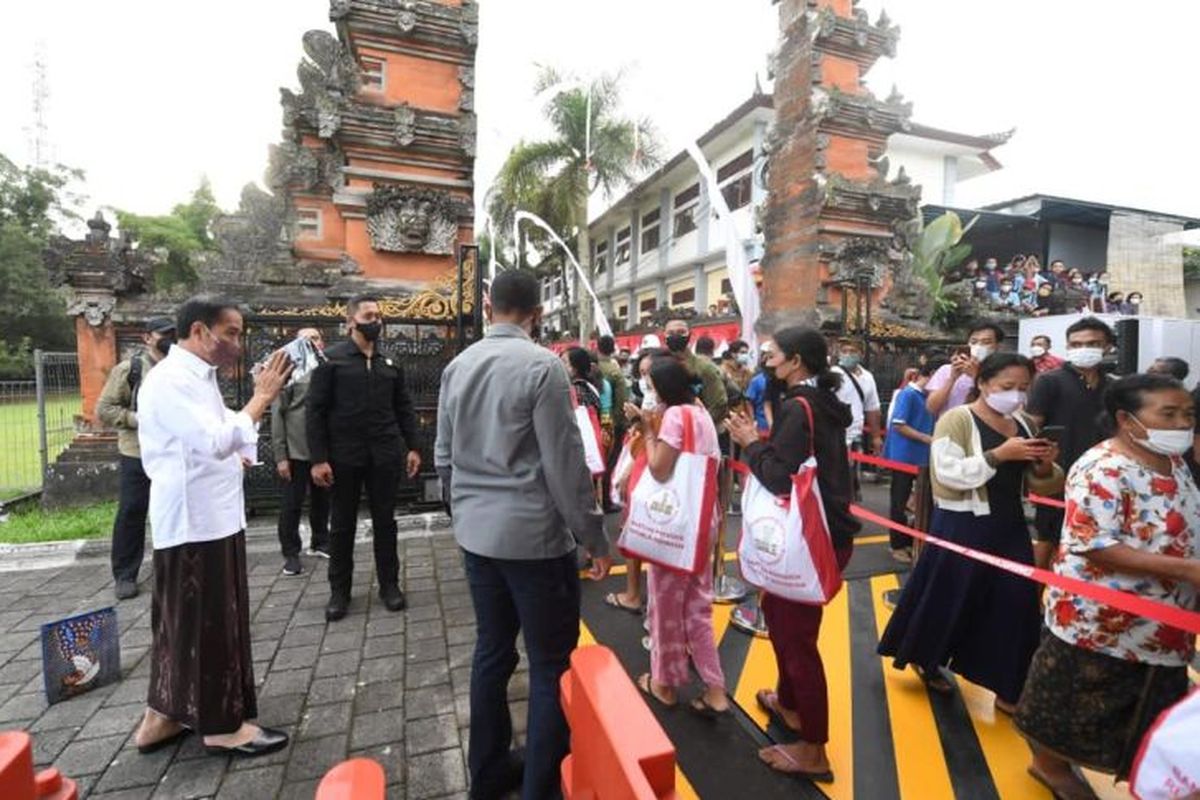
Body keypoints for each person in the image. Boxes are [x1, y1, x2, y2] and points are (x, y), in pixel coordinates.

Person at [435, 269, 611, 800]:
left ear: (489, 307)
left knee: (492, 649)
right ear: (537, 313)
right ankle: (540, 785)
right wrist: (593, 537)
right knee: (549, 660)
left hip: (477, 536)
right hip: (534, 540)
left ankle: (487, 776)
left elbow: (444, 457)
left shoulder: (457, 367)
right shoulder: (543, 368)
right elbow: (564, 466)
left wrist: (464, 512)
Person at [1015, 374, 1200, 799]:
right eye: (1167, 414)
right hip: (1099, 617)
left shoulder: (1174, 462)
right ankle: (1048, 765)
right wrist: (1188, 570)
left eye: (1187, 414)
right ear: (1126, 419)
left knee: (1147, 701)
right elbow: (1092, 544)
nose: (1181, 424)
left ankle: (1139, 768)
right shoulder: (1103, 467)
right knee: (1072, 698)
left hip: (1163, 620)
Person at [134, 295, 292, 757]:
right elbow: (213, 440)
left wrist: (244, 440)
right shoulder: (170, 381)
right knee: (205, 626)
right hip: (194, 524)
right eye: (232, 333)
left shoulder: (196, 377)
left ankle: (163, 715)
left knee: (185, 624)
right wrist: (262, 398)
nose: (238, 344)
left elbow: (225, 429)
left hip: (212, 519)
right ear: (200, 332)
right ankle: (222, 727)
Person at [878, 353, 1063, 714]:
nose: (1016, 395)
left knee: (1018, 602)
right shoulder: (956, 420)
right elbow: (947, 474)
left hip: (1009, 524)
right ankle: (926, 658)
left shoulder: (1022, 423)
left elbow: (1042, 481)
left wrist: (1042, 463)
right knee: (949, 596)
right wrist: (998, 455)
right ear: (983, 383)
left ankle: (1010, 686)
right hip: (962, 523)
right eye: (1007, 387)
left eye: (1023, 388)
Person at [725, 327, 858, 782]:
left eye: (773, 355)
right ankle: (791, 705)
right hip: (824, 534)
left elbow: (780, 478)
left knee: (797, 640)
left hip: (811, 540)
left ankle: (814, 749)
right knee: (782, 623)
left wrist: (751, 443)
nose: (767, 362)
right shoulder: (821, 404)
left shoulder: (797, 408)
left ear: (796, 360)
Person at [307, 295, 422, 622]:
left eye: (379, 315)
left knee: (386, 522)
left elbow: (404, 407)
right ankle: (339, 592)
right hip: (343, 457)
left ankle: (390, 586)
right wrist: (318, 459)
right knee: (342, 525)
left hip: (384, 455)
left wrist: (413, 447)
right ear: (351, 323)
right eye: (369, 315)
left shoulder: (391, 361)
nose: (377, 320)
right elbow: (314, 412)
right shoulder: (330, 360)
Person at [628, 356, 729, 716]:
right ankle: (716, 690)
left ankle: (665, 683)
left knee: (666, 606)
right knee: (698, 607)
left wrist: (647, 428)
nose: (649, 390)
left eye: (651, 384)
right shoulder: (701, 411)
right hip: (704, 517)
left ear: (662, 387)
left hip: (674, 524)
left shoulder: (674, 416)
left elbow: (658, 467)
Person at [1025, 317, 1117, 570]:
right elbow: (1032, 426)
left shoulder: (1114, 386)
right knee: (1047, 540)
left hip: (1103, 479)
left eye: (1092, 343)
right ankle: (1029, 603)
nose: (1083, 349)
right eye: (1075, 344)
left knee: (1096, 543)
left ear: (1107, 346)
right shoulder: (1049, 381)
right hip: (1059, 479)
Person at [96, 316, 175, 600]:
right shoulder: (130, 369)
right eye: (163, 334)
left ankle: (172, 568)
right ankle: (125, 574)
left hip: (172, 453)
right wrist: (137, 419)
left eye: (173, 333)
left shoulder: (180, 369)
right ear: (147, 338)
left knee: (172, 511)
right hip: (137, 452)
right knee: (132, 511)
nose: (169, 338)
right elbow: (104, 409)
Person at [271, 328, 331, 577]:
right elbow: (277, 414)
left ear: (323, 343)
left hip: (324, 450)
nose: (311, 343)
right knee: (291, 505)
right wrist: (281, 455)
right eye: (304, 340)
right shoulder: (289, 373)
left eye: (315, 338)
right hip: (296, 450)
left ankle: (320, 541)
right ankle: (291, 553)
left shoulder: (328, 369)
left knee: (322, 500)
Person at [881, 360, 939, 563]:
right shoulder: (908, 394)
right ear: (932, 373)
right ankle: (897, 545)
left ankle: (910, 539)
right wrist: (928, 439)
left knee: (919, 501)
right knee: (899, 501)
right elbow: (899, 425)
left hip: (922, 457)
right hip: (903, 456)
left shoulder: (929, 396)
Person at [925, 321, 1005, 418]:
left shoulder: (1003, 373)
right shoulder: (946, 370)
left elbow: (1000, 407)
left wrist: (975, 377)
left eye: (986, 342)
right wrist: (952, 379)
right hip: (949, 429)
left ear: (998, 346)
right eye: (974, 342)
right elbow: (931, 408)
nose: (979, 346)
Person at [663, 318, 728, 426]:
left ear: (690, 335)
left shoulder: (705, 367)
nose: (676, 336)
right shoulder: (657, 365)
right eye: (671, 333)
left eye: (681, 332)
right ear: (664, 335)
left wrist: (697, 427)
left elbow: (719, 404)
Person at [832, 339, 882, 454]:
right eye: (844, 351)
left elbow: (872, 409)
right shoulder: (832, 374)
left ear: (861, 354)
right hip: (834, 435)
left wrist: (876, 437)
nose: (848, 355)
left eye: (852, 351)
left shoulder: (868, 377)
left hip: (856, 435)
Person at [597, 335, 629, 513]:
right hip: (610, 420)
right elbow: (622, 400)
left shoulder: (592, 366)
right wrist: (621, 423)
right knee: (610, 461)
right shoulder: (615, 371)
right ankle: (607, 501)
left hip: (593, 419)